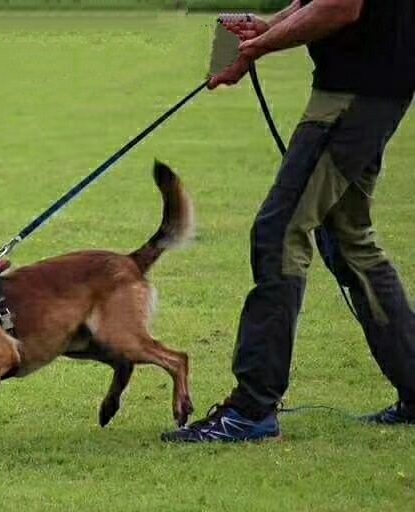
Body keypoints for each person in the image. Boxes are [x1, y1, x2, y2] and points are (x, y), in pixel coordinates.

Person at [163, 0, 415, 443]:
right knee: (349, 237)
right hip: (370, 86)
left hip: (355, 92)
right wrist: (269, 25)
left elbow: (340, 7)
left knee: (279, 231)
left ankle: (252, 409)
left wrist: (258, 46)